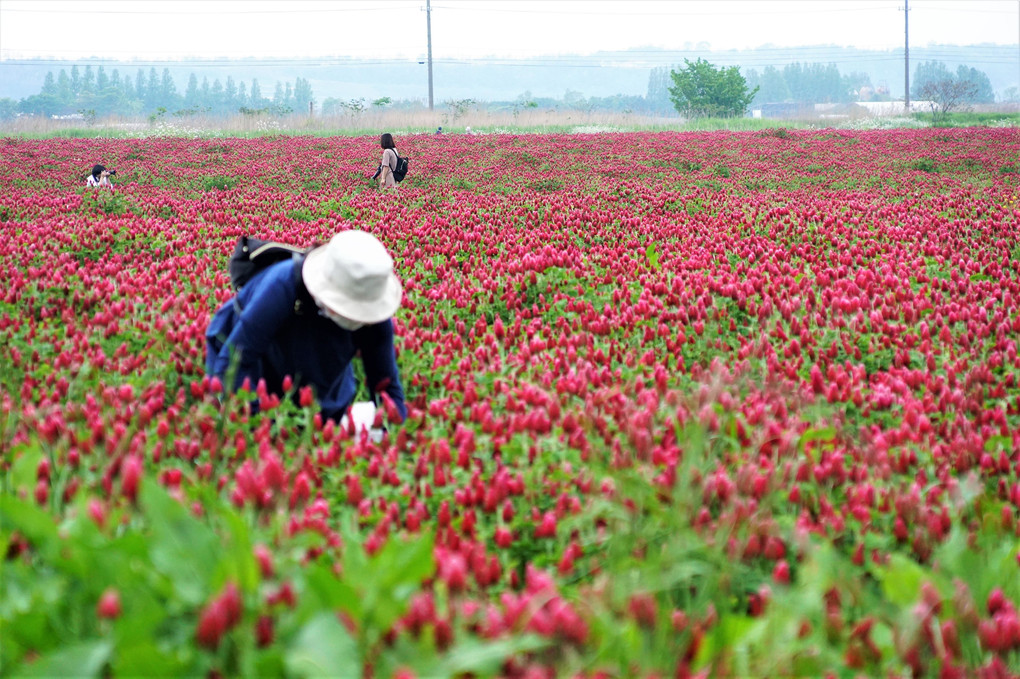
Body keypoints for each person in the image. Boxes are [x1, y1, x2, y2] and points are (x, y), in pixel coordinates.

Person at [205, 230, 407, 425]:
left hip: (322, 374)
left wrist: (395, 432)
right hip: (256, 367)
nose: (354, 317)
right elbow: (235, 362)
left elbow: (387, 387)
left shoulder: (375, 314)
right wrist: (257, 421)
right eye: (347, 308)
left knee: (320, 426)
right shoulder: (282, 286)